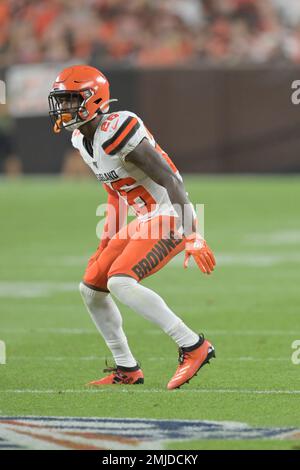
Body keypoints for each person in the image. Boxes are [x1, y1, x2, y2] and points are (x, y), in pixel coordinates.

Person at [48, 64, 216, 390]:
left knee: (120, 282)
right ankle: (127, 368)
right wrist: (104, 243)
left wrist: (192, 232)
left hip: (171, 212)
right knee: (91, 287)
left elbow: (170, 177)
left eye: (71, 100)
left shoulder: (117, 127)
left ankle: (194, 346)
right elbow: (114, 195)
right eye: (62, 100)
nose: (65, 108)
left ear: (93, 100)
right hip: (145, 218)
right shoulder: (82, 140)